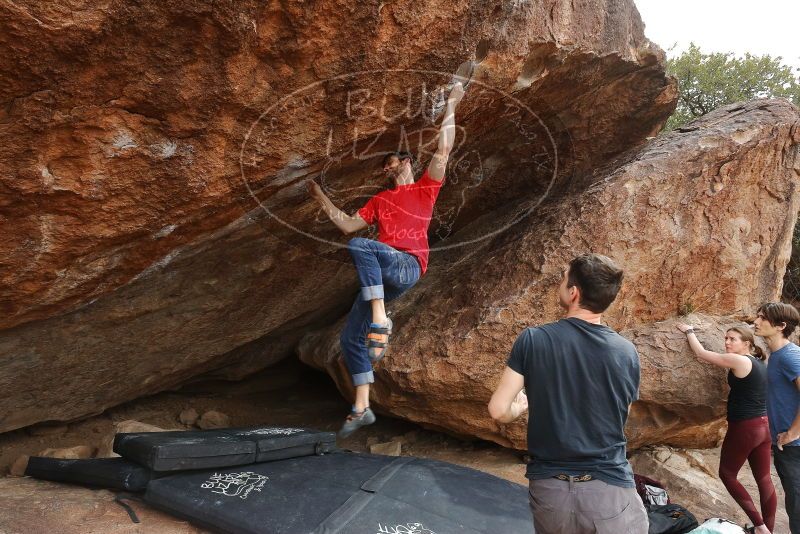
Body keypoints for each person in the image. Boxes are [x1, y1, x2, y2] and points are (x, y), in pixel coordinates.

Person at [307, 82, 465, 438]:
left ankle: (380, 317)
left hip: (408, 266)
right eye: (384, 166)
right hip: (385, 275)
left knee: (364, 248)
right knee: (349, 340)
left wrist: (452, 103)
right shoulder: (379, 201)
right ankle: (362, 407)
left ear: (406, 161)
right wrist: (320, 196)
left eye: (391, 161)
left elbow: (444, 149)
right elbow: (347, 224)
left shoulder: (425, 188)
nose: (386, 167)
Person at [488, 253, 647, 534]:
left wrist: (519, 408)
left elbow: (499, 410)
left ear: (574, 293)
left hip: (552, 489)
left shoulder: (533, 340)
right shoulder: (626, 352)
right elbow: (620, 412)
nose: (560, 282)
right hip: (608, 488)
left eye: (563, 278)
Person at [676, 322, 775, 534]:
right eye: (726, 338)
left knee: (727, 474)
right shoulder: (758, 362)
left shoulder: (737, 360)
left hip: (745, 428)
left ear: (746, 344)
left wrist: (689, 331)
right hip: (763, 426)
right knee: (764, 478)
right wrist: (745, 326)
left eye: (732, 339)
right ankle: (769, 530)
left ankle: (759, 526)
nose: (727, 342)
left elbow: (701, 353)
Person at [754, 302, 800, 533]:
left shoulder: (789, 356)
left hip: (794, 445)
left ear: (781, 326)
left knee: (797, 505)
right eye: (758, 316)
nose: (756, 321)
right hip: (785, 443)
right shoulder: (777, 355)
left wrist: (793, 433)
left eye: (763, 318)